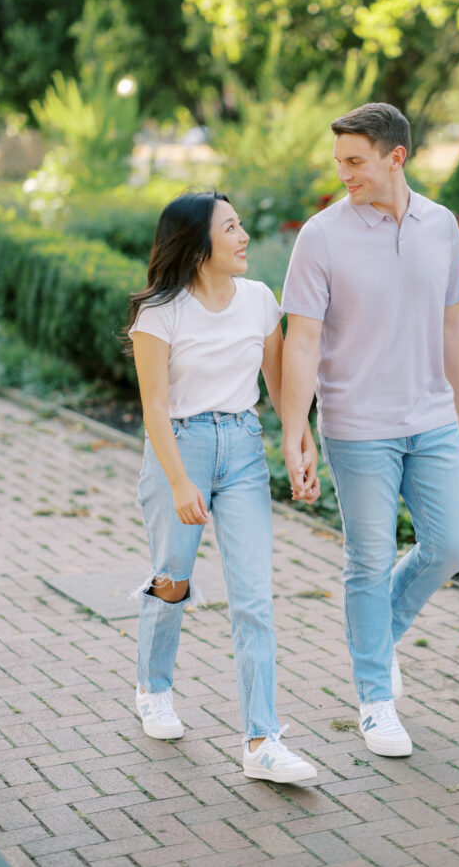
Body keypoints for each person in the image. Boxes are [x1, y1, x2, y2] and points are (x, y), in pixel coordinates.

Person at [280, 103, 459, 757]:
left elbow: (454, 324)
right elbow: (300, 342)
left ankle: (377, 635)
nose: (344, 174)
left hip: (431, 419)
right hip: (357, 426)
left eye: (355, 161)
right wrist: (294, 429)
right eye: (339, 162)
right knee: (366, 559)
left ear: (397, 156)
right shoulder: (322, 236)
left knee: (454, 545)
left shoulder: (440, 225)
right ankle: (375, 700)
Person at [126, 191, 320, 783]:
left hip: (241, 450)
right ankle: (153, 687)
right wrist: (181, 482)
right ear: (198, 245)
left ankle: (262, 740)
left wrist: (298, 437)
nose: (243, 238)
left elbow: (282, 376)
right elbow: (154, 407)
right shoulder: (160, 313)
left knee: (254, 599)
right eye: (231, 228)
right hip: (177, 447)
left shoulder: (260, 301)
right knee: (173, 579)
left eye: (240, 225)